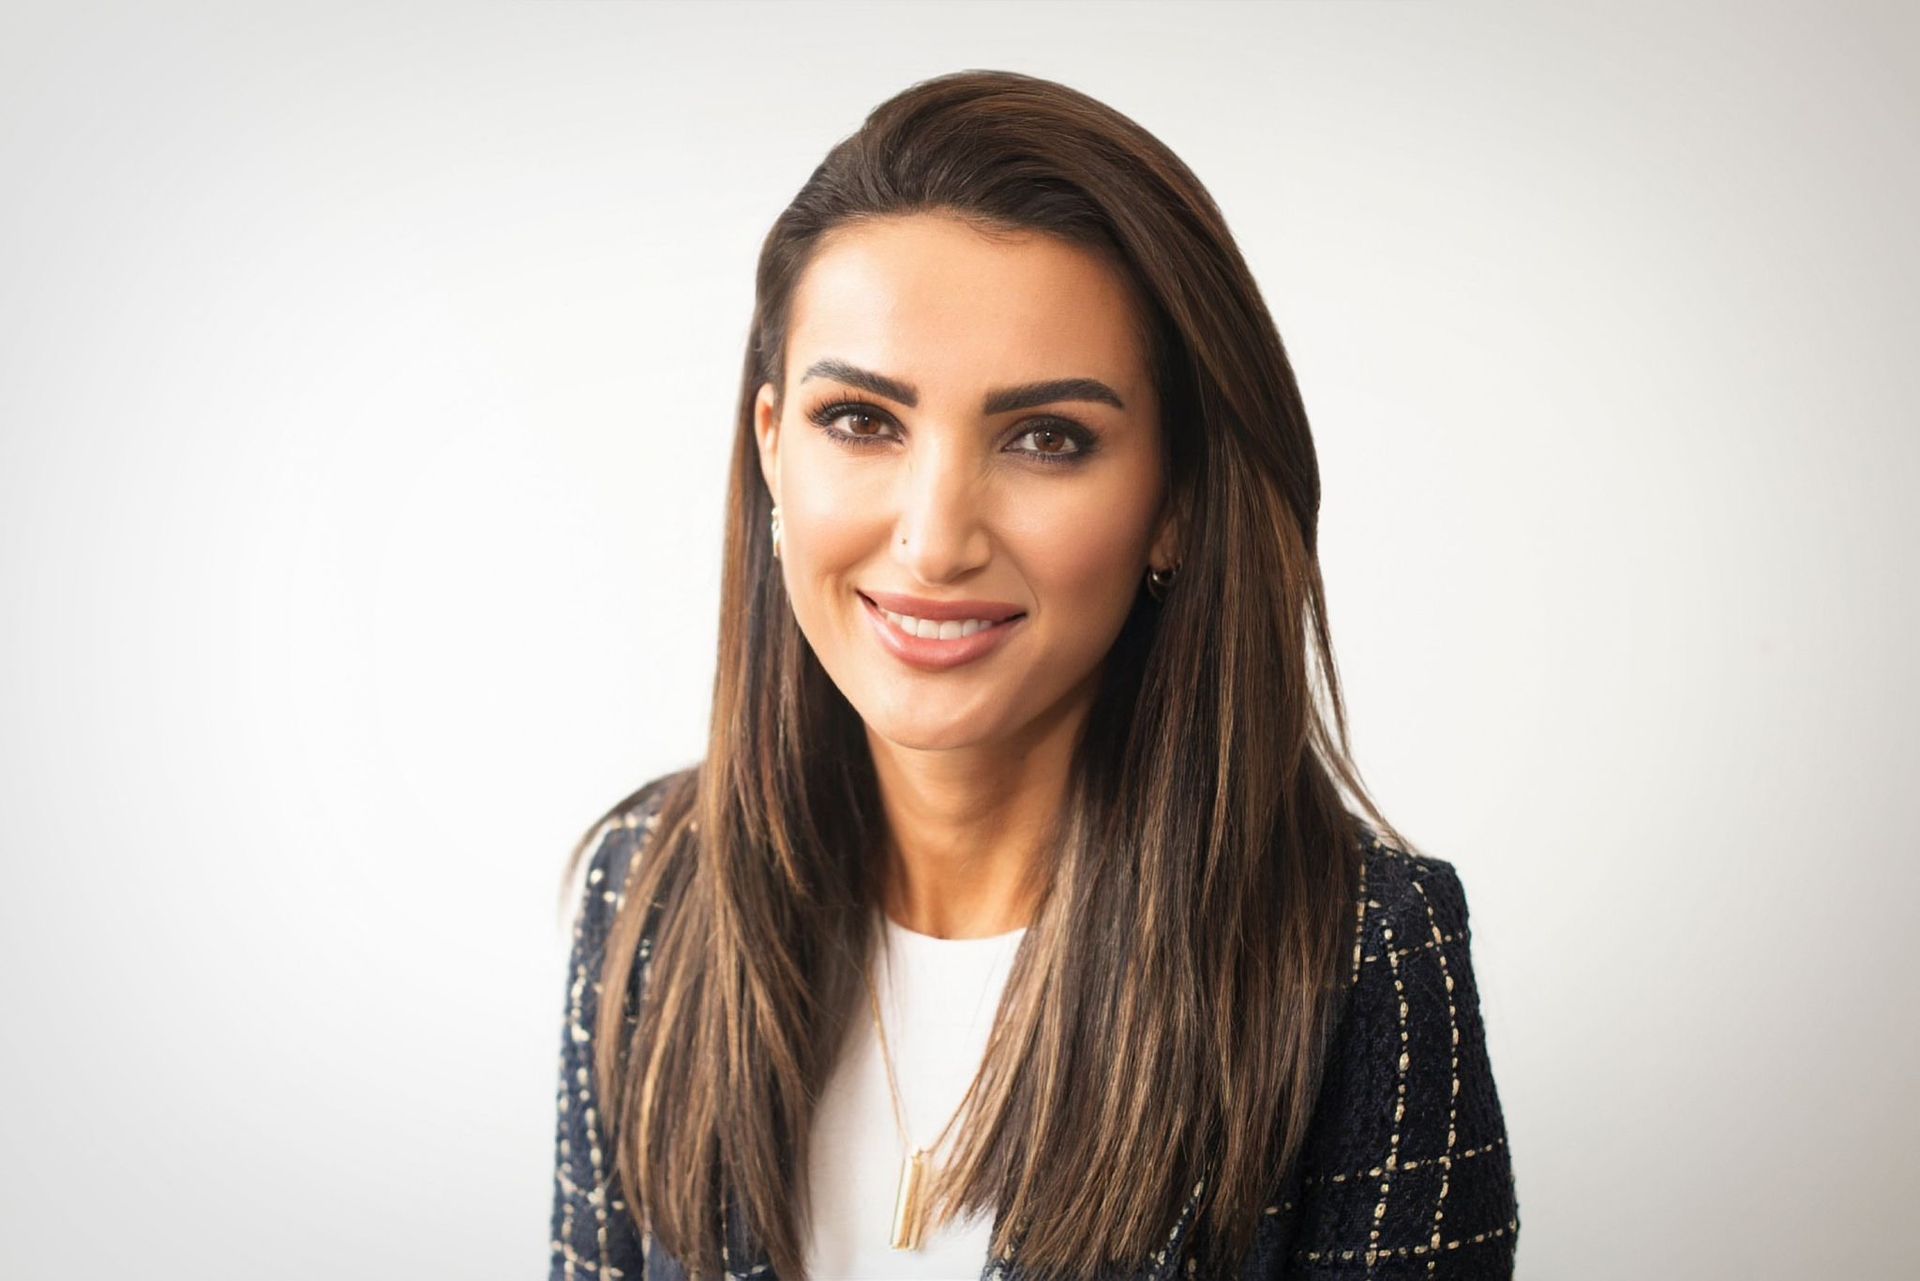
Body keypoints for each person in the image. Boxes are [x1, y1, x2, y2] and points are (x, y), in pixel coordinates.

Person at [550, 69, 1519, 1281]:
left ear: (1173, 503)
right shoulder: (649, 891)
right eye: (861, 420)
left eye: (1047, 439)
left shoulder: (1361, 961)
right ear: (772, 450)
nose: (934, 541)